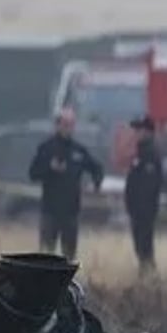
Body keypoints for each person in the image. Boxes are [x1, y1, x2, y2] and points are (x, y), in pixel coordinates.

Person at [28, 108, 103, 260]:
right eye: (65, 124)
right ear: (57, 125)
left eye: (71, 124)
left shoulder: (79, 150)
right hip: (50, 211)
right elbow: (33, 174)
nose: (69, 128)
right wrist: (49, 167)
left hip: (71, 212)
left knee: (69, 256)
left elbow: (97, 168)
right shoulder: (46, 148)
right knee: (45, 255)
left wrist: (96, 184)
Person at [124, 115, 162, 273]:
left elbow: (149, 186)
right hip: (137, 211)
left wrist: (141, 208)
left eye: (139, 130)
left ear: (148, 132)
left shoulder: (150, 154)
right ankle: (146, 273)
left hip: (144, 211)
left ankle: (148, 274)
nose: (136, 133)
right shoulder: (141, 153)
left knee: (144, 245)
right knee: (140, 246)